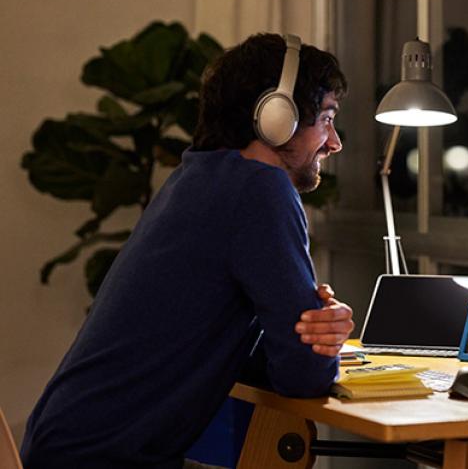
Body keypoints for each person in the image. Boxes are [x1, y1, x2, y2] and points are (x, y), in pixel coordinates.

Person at [21, 34, 356, 469]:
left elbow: (246, 356)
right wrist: (320, 343)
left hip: (68, 448)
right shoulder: (260, 189)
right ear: (279, 115)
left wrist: (308, 330)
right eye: (326, 118)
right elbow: (302, 378)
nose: (334, 143)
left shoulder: (198, 177)